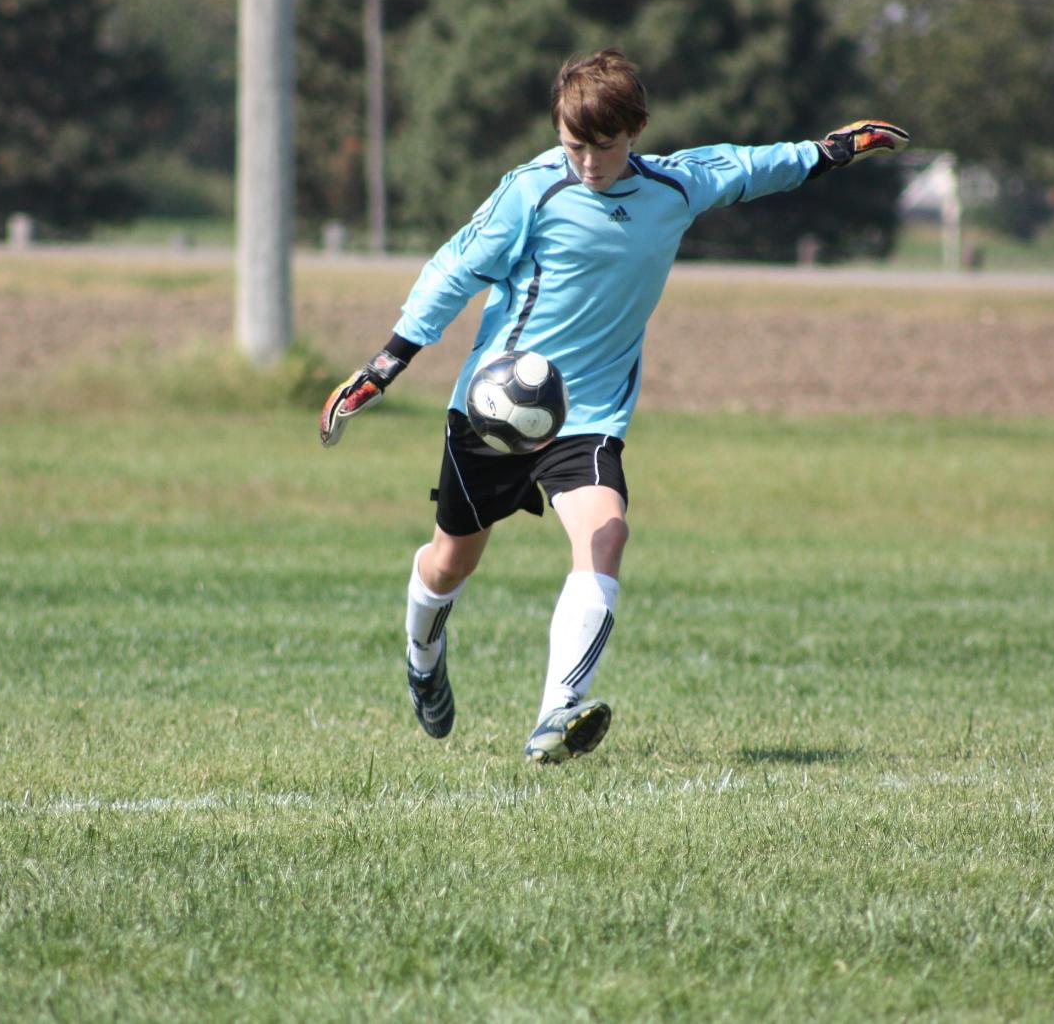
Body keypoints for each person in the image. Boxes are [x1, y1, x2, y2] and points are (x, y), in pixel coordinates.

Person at [319, 48, 907, 763]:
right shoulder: (532, 191)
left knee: (606, 535)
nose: (589, 163)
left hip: (588, 412)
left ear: (636, 132)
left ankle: (556, 714)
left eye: (604, 146)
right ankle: (422, 655)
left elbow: (751, 167)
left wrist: (831, 150)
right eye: (575, 145)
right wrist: (385, 364)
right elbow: (454, 269)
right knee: (450, 562)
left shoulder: (674, 186)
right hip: (496, 406)